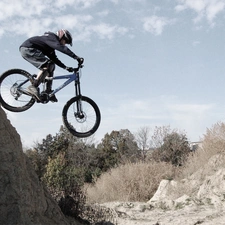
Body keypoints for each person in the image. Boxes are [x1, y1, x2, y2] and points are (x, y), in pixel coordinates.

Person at [19, 29, 84, 102]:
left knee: (51, 65)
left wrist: (65, 67)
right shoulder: (51, 37)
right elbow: (61, 48)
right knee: (47, 64)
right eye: (65, 41)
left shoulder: (51, 46)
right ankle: (33, 86)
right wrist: (75, 57)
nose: (64, 44)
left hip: (29, 50)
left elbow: (55, 59)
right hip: (28, 48)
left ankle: (48, 91)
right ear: (61, 36)